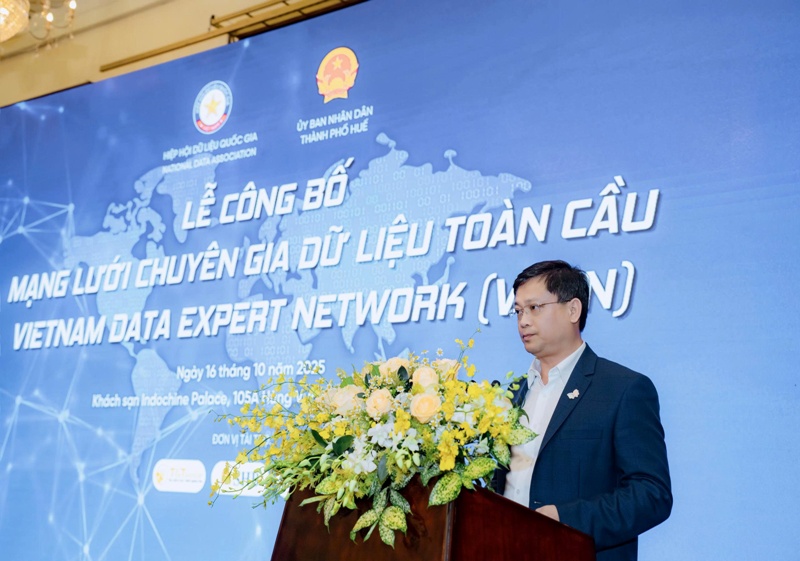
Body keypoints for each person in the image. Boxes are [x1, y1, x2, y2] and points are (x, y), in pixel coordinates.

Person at [493, 260, 672, 561]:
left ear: (573, 310)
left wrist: (565, 519)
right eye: (518, 311)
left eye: (534, 308)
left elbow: (651, 494)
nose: (523, 321)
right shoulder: (509, 396)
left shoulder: (622, 389)